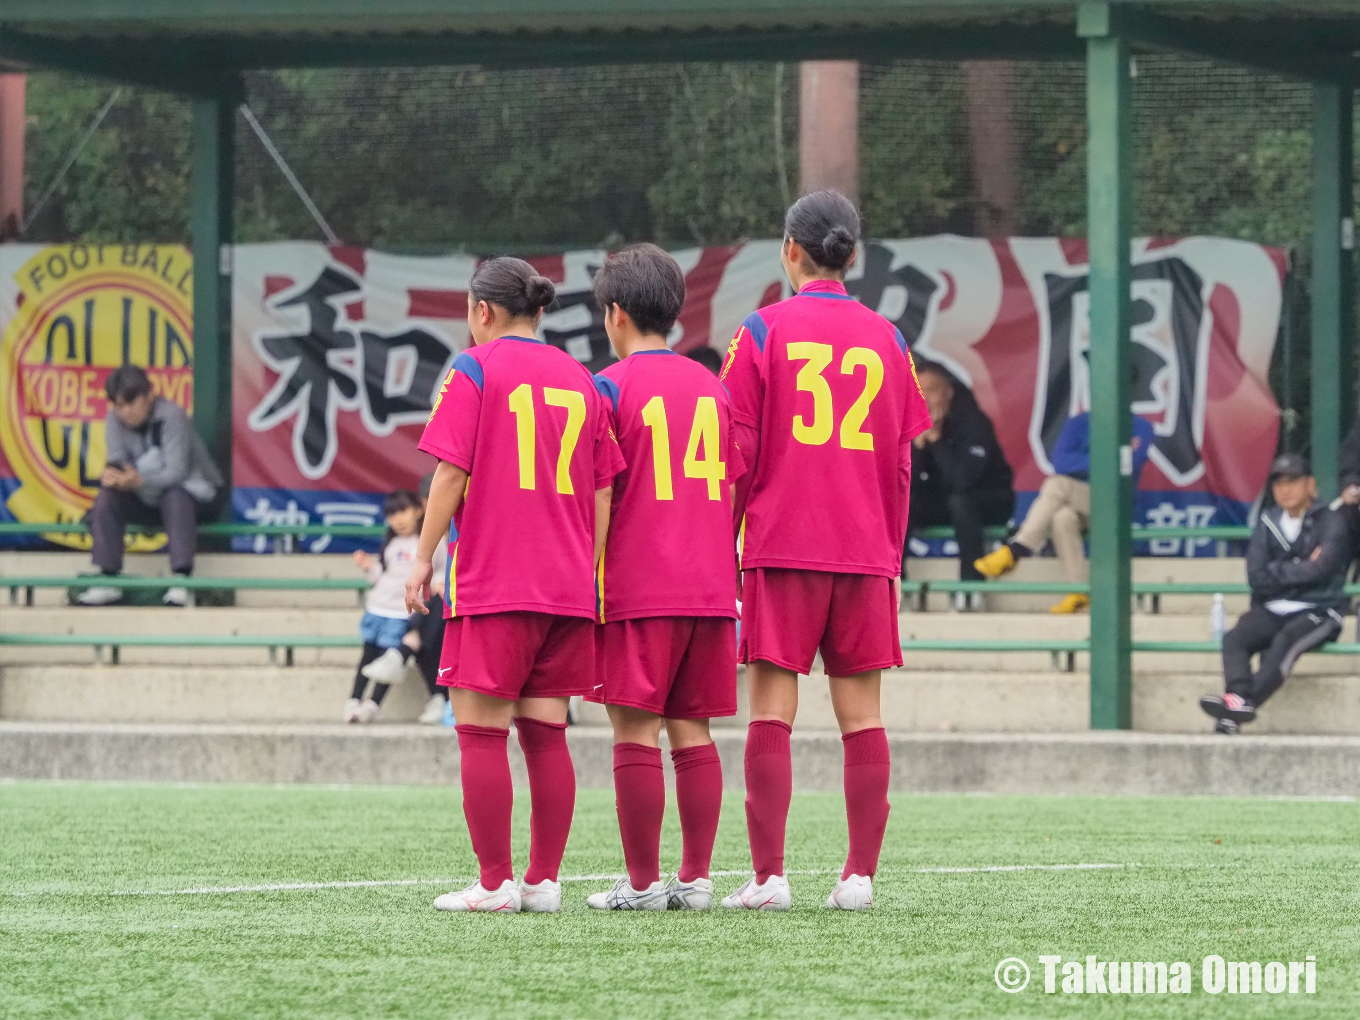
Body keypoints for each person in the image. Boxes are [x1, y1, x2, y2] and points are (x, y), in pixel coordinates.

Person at [719, 190, 932, 911]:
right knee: (863, 718)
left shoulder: (762, 331)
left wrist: (724, 540)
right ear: (853, 254)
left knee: (770, 712)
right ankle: (859, 877)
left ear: (790, 250)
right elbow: (901, 464)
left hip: (782, 546)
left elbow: (738, 453)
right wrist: (889, 554)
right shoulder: (889, 340)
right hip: (864, 550)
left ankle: (769, 878)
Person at [406, 257, 624, 914]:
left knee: (480, 732)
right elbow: (603, 487)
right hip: (567, 585)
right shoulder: (581, 379)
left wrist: (421, 558)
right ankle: (544, 882)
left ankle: (496, 883)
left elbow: (450, 473)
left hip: (496, 578)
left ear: (482, 311)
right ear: (539, 310)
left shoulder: (475, 368)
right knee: (547, 733)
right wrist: (588, 564)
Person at [584, 244, 741, 912]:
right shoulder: (712, 387)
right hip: (708, 584)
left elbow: (596, 493)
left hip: (638, 584)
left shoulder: (607, 388)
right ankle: (697, 880)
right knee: (693, 731)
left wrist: (587, 575)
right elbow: (729, 488)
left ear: (615, 314)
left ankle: (644, 885)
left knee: (634, 732)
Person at [1200, 454, 1349, 734]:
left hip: (1320, 609)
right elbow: (1256, 576)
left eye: (1293, 481)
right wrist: (1300, 566)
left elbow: (1322, 570)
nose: (1285, 489)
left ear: (1310, 485)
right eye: (1279, 483)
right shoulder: (1268, 521)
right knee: (1235, 638)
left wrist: (1277, 571)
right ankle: (1238, 697)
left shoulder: (1331, 520)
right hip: (1273, 607)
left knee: (1285, 642)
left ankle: (1238, 706)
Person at [973, 407, 1155, 613]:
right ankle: (1078, 590)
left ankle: (1018, 549)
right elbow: (1061, 462)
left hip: (1116, 504)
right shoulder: (1079, 422)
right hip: (1083, 503)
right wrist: (1105, 459)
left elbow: (1128, 466)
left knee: (1057, 484)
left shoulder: (1140, 426)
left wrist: (1083, 462)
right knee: (1062, 517)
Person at [77, 364, 224, 607]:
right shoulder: (113, 419)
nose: (126, 412)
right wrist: (114, 476)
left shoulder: (172, 415)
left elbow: (177, 472)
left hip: (197, 496)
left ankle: (182, 580)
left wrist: (138, 480)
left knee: (176, 495)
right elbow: (117, 460)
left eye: (132, 402)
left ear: (149, 395)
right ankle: (107, 579)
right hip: (145, 496)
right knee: (107, 496)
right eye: (119, 405)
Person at [905, 360, 1014, 606]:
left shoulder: (973, 423)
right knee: (900, 503)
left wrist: (936, 440)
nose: (925, 399)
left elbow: (963, 481)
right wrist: (918, 449)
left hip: (989, 500)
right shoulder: (910, 424)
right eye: (919, 391)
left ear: (949, 393)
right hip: (943, 502)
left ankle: (971, 586)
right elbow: (903, 483)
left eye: (931, 391)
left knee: (961, 502)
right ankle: (897, 585)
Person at [360, 473, 450, 725]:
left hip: (473, 600)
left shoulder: (467, 526)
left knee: (427, 621)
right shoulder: (421, 538)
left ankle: (402, 653)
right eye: (430, 501)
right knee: (428, 620)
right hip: (439, 605)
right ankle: (437, 696)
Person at [343, 490, 424, 724]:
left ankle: (372, 705)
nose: (398, 519)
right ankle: (353, 701)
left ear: (418, 510)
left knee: (387, 663)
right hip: (377, 608)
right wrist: (369, 567)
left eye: (403, 511)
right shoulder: (391, 543)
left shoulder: (426, 543)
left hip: (401, 613)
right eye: (392, 514)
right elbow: (382, 576)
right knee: (367, 657)